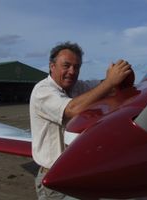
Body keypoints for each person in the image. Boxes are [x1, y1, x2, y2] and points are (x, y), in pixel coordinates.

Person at [30, 41, 132, 199]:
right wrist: (110, 82)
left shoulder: (78, 87)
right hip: (56, 181)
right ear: (52, 66)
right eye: (66, 65)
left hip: (79, 175)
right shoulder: (42, 91)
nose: (72, 71)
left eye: (76, 67)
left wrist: (122, 74)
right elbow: (71, 109)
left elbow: (107, 87)